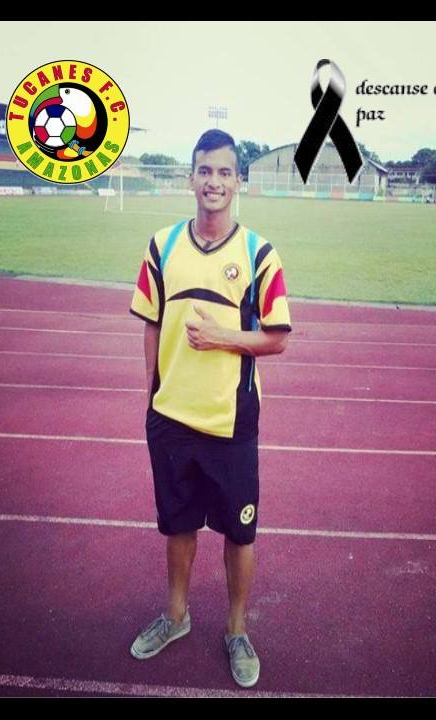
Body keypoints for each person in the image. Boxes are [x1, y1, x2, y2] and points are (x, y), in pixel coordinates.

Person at [127, 129, 291, 689]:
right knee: (178, 525)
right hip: (171, 419)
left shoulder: (258, 253)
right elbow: (151, 324)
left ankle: (237, 629)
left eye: (224, 172)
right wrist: (153, 394)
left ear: (238, 181)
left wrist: (224, 337)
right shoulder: (161, 246)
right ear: (190, 177)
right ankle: (176, 616)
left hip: (231, 421)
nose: (213, 181)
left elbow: (277, 338)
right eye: (204, 171)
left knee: (239, 535)